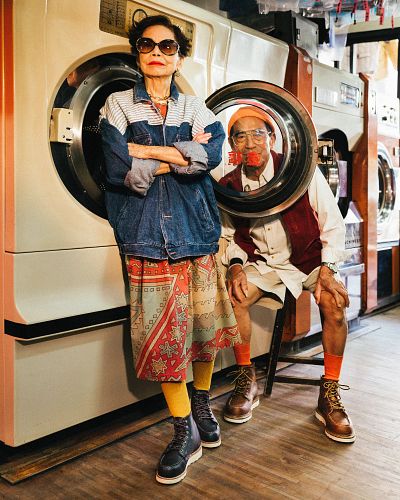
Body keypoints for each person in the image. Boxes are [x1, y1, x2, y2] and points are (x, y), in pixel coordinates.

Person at [99, 15, 240, 485]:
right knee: (164, 343)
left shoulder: (197, 107)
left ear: (179, 56)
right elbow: (121, 170)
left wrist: (150, 151)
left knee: (201, 334)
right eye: (147, 45)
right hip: (145, 236)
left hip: (195, 232)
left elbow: (212, 156)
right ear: (137, 53)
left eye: (167, 45)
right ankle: (184, 430)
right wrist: (181, 154)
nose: (157, 52)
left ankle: (201, 405)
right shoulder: (116, 106)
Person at [219, 106, 355, 443]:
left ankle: (330, 394)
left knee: (335, 304)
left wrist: (330, 269)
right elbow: (226, 234)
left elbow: (332, 225)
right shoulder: (229, 184)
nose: (250, 143)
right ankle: (245, 377)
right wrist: (235, 264)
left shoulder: (300, 171)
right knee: (234, 295)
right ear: (233, 144)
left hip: (307, 261)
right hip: (263, 264)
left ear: (272, 137)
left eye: (258, 134)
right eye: (241, 135)